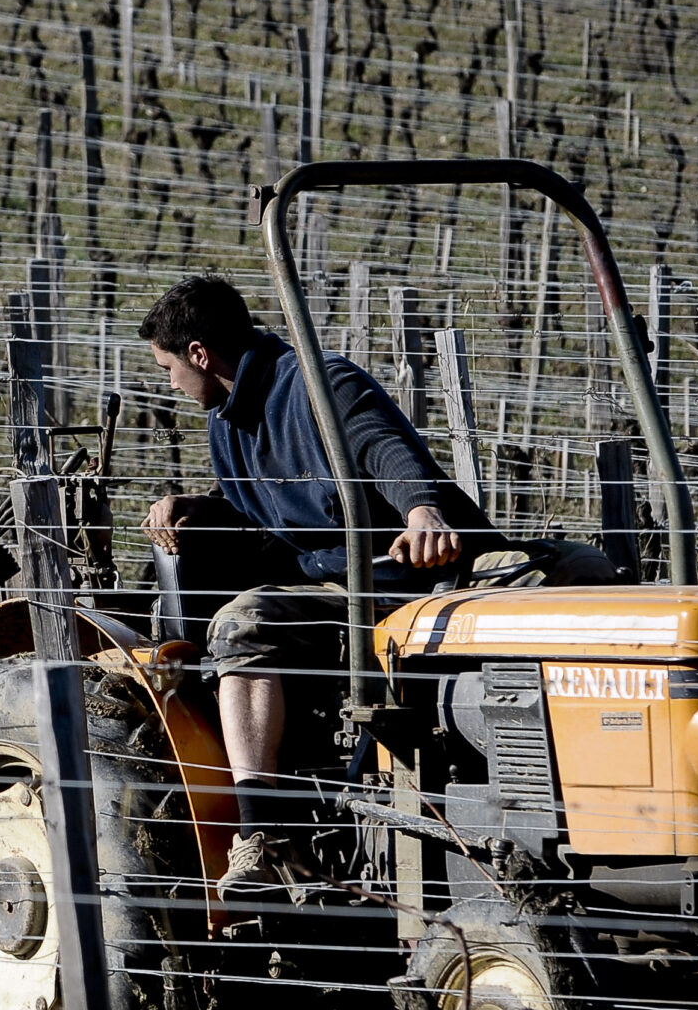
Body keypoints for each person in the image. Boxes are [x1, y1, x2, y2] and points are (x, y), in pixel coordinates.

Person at [139, 274, 501, 894]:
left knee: (240, 623)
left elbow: (381, 448)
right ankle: (281, 835)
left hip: (402, 568)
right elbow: (262, 510)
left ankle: (261, 836)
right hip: (332, 580)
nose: (168, 381)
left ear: (199, 353)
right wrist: (196, 506)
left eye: (168, 364)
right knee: (236, 614)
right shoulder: (228, 417)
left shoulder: (318, 384)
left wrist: (420, 512)